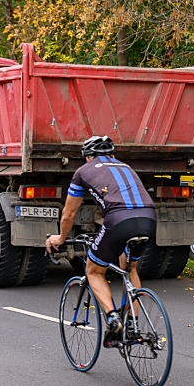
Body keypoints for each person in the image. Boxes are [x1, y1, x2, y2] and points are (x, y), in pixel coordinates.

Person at [46, 135, 156, 347]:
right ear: (113, 155)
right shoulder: (126, 167)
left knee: (94, 271)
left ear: (87, 157)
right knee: (130, 268)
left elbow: (69, 214)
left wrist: (60, 238)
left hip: (119, 220)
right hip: (149, 218)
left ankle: (114, 319)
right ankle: (132, 324)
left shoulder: (83, 171)